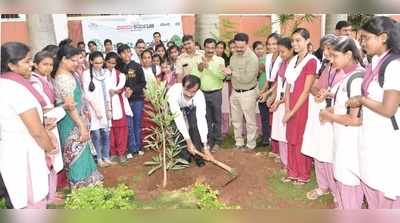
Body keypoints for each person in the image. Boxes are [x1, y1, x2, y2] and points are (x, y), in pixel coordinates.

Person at [347, 16, 400, 209]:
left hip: (387, 137)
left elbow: (388, 109)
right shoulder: (375, 61)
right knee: (371, 181)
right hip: (372, 132)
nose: (362, 43)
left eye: (366, 38)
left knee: (385, 186)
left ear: (383, 37)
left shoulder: (394, 65)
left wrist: (361, 100)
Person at [1, 42, 56, 209]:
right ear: (11, 65)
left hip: (10, 149)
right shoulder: (17, 89)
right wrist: (49, 147)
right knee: (32, 199)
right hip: (26, 152)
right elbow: (36, 131)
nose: (31, 65)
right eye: (26, 61)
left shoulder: (4, 84)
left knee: (19, 199)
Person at [319, 37, 365, 209]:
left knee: (349, 182)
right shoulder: (348, 76)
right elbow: (342, 106)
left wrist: (328, 115)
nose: (332, 60)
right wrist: (331, 111)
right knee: (343, 180)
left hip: (351, 142)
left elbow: (355, 119)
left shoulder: (357, 78)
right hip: (342, 138)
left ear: (348, 55)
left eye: (335, 56)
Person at [52, 45, 103, 188]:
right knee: (76, 155)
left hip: (77, 120)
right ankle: (81, 188)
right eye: (73, 60)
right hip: (71, 123)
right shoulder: (63, 79)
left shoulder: (70, 74)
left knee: (83, 152)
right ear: (63, 59)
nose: (77, 63)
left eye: (78, 60)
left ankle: (89, 185)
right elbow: (70, 106)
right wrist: (81, 126)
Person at [304, 34, 339, 201]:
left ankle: (335, 189)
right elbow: (314, 87)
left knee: (330, 153)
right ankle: (322, 185)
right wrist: (319, 94)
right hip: (320, 113)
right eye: (324, 48)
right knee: (319, 150)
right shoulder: (326, 65)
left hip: (335, 117)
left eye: (329, 48)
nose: (325, 52)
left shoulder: (347, 69)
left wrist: (329, 94)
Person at [282, 28, 319, 185]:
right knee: (291, 138)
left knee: (300, 139)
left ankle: (303, 174)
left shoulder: (311, 61)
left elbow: (305, 90)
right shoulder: (293, 60)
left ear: (307, 41)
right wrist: (287, 109)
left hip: (302, 105)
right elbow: (287, 87)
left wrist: (292, 111)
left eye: (298, 40)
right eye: (293, 40)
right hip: (291, 104)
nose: (295, 43)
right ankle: (292, 171)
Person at [31, 50, 66, 205]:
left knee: (53, 156)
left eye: (51, 64)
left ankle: (52, 193)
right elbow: (40, 104)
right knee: (47, 158)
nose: (48, 68)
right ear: (36, 65)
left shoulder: (47, 79)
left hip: (53, 117)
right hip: (43, 121)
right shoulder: (34, 81)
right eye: (44, 64)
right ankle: (48, 195)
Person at [167, 75, 214, 167]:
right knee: (177, 129)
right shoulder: (173, 93)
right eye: (187, 90)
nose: (189, 94)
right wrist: (188, 141)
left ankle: (198, 156)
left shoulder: (199, 95)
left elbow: (201, 120)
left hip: (191, 107)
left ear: (197, 90)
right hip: (175, 108)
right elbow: (179, 118)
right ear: (182, 86)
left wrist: (205, 146)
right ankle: (183, 157)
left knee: (195, 126)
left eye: (193, 92)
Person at [225, 32, 259, 150]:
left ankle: (251, 144)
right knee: (236, 119)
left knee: (250, 120)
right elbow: (231, 74)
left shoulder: (252, 58)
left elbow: (247, 78)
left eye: (241, 47)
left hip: (248, 92)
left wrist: (232, 73)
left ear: (247, 44)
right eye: (237, 46)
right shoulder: (233, 56)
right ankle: (238, 142)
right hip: (235, 92)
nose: (239, 49)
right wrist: (227, 72)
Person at [192, 38, 226, 152]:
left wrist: (208, 67)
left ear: (215, 48)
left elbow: (222, 76)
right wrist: (200, 69)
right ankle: (209, 141)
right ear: (204, 47)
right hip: (202, 93)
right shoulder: (198, 60)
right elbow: (194, 76)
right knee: (206, 119)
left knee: (217, 118)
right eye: (208, 47)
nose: (210, 50)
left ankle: (217, 141)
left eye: (212, 48)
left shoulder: (220, 60)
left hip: (216, 93)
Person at [82, 51, 114, 167]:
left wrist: (109, 109)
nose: (99, 65)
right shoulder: (86, 74)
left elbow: (108, 92)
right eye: (96, 63)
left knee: (105, 133)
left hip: (105, 107)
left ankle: (106, 156)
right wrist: (97, 110)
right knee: (96, 134)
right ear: (91, 62)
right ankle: (99, 158)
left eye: (101, 63)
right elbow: (87, 94)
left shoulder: (106, 73)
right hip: (93, 108)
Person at [116, 44, 146, 159]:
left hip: (138, 99)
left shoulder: (137, 66)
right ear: (119, 55)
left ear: (131, 53)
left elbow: (143, 83)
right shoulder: (118, 68)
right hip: (124, 101)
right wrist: (124, 90)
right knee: (129, 125)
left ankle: (138, 147)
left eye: (128, 52)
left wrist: (133, 90)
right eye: (123, 53)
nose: (126, 54)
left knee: (137, 123)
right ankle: (131, 148)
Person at [270, 37, 294, 171]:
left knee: (287, 134)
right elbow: (279, 83)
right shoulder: (282, 63)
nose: (281, 55)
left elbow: (291, 89)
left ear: (291, 50)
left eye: (283, 52)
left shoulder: (295, 65)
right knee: (280, 133)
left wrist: (280, 101)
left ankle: (289, 163)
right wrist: (273, 98)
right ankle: (284, 161)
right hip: (279, 103)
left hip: (287, 104)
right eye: (279, 52)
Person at [105, 52, 133, 163]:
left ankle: (121, 153)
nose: (111, 65)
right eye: (109, 62)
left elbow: (122, 88)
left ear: (116, 63)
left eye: (113, 63)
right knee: (109, 131)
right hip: (106, 106)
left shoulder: (121, 75)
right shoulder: (100, 75)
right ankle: (112, 153)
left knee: (121, 131)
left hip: (119, 105)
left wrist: (115, 91)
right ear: (105, 62)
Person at [216, 40, 231, 136]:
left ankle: (224, 130)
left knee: (225, 107)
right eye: (217, 47)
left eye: (221, 48)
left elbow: (229, 74)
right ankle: (217, 128)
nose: (219, 50)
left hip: (224, 85)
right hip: (214, 85)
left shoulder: (227, 60)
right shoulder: (210, 59)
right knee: (217, 108)